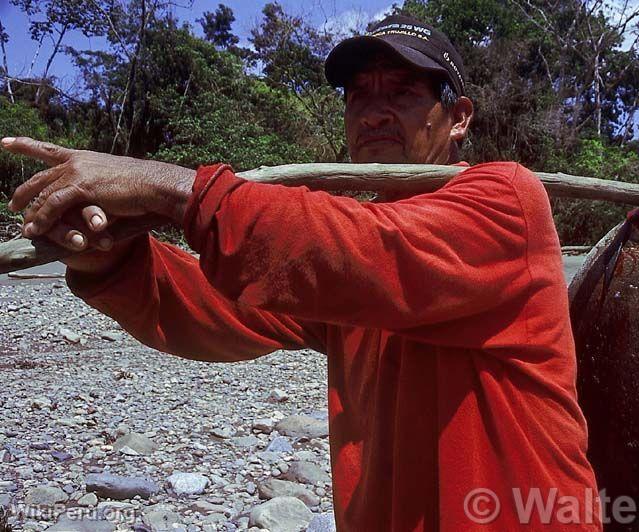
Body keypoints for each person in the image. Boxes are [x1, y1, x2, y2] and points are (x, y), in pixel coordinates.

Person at [2, 14, 602, 531]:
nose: (374, 111)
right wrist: (108, 259)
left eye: (401, 91)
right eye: (359, 95)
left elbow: (367, 252)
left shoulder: (505, 199)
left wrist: (167, 189)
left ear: (459, 117)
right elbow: (214, 308)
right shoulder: (345, 275)